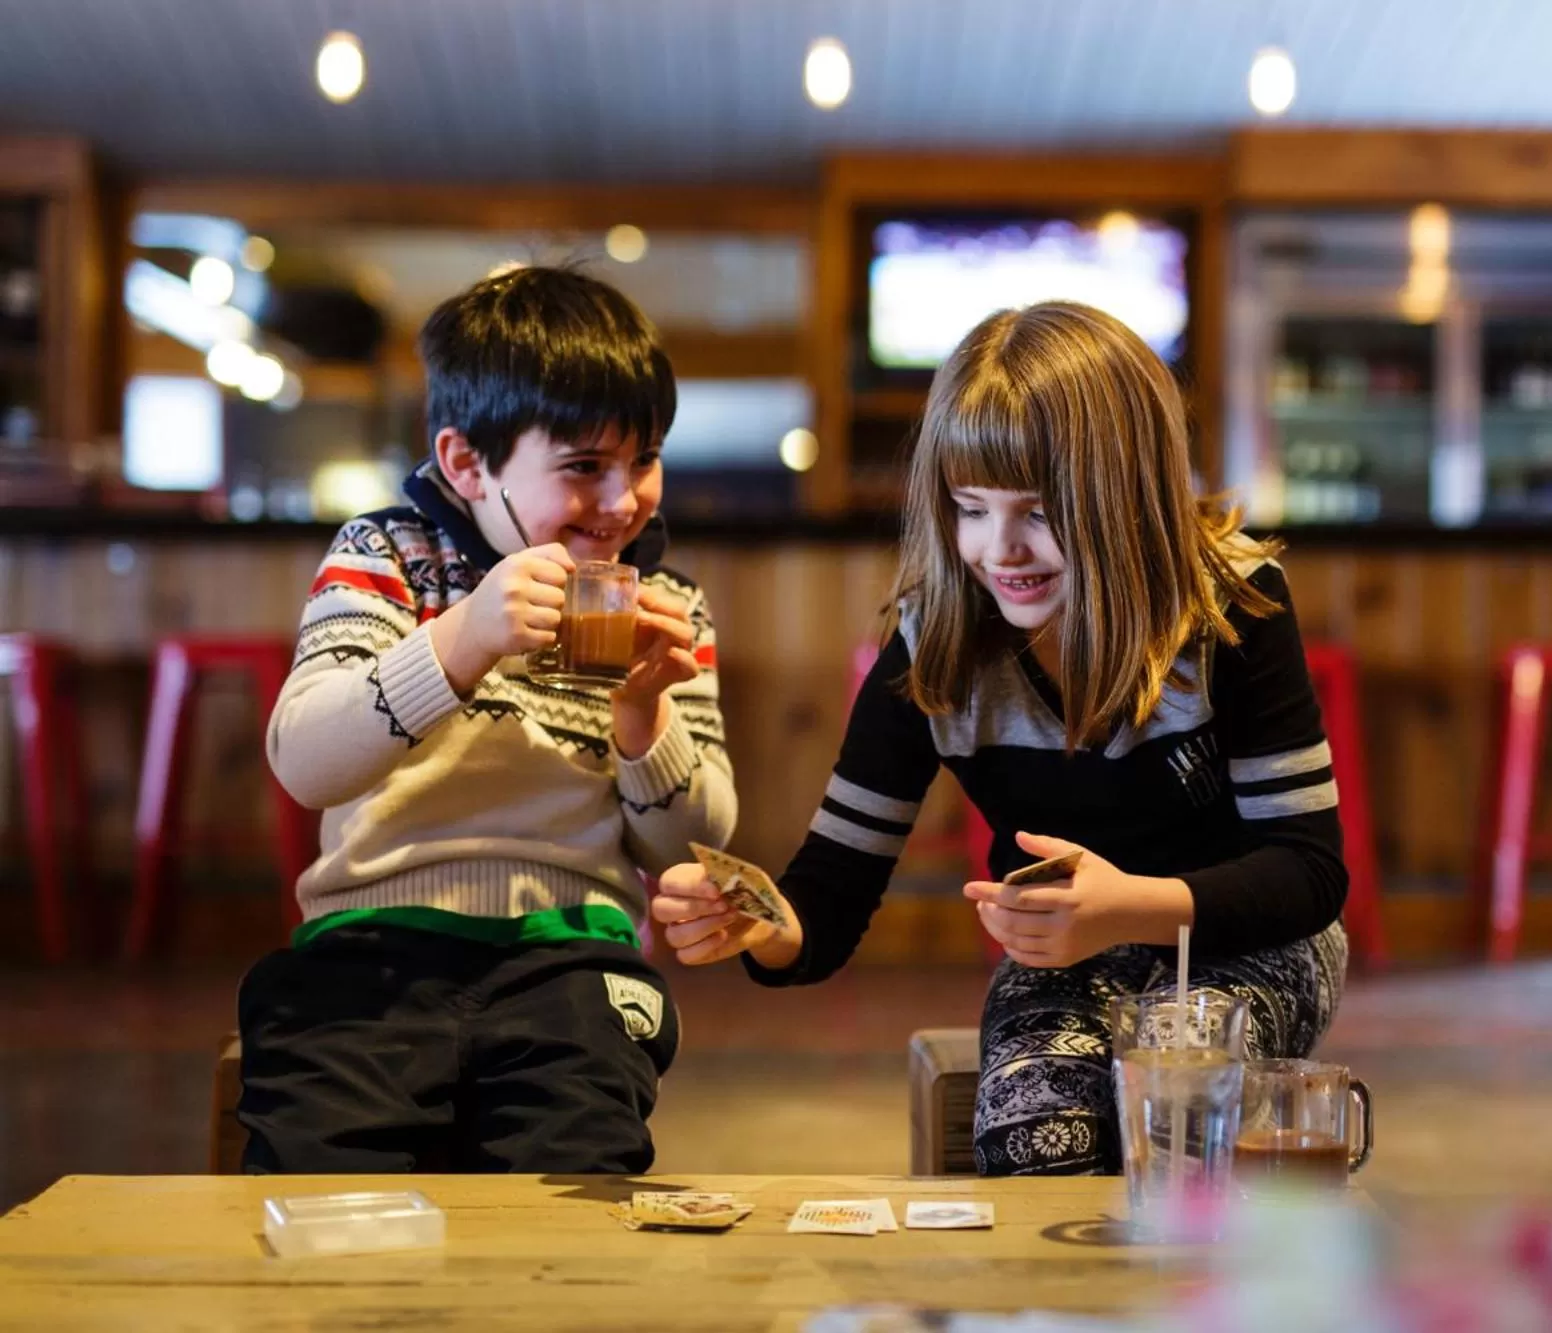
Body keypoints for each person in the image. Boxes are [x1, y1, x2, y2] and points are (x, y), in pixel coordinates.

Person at [653, 300, 1346, 1175]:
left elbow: (1309, 873)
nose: (998, 548)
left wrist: (1128, 904)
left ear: (1122, 496)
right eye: (969, 508)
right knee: (1033, 1145)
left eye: (1039, 511)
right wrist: (756, 923)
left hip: (1254, 937)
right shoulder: (934, 638)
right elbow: (830, 894)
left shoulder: (1235, 603)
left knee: (1176, 1130)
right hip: (1069, 950)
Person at [240, 265, 736, 1173]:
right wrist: (462, 638)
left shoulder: (669, 602)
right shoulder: (388, 555)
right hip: (371, 946)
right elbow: (307, 762)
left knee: (576, 1189)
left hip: (573, 958)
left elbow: (689, 846)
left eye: (644, 459)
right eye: (585, 466)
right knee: (319, 1180)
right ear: (467, 462)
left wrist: (641, 710)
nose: (624, 502)